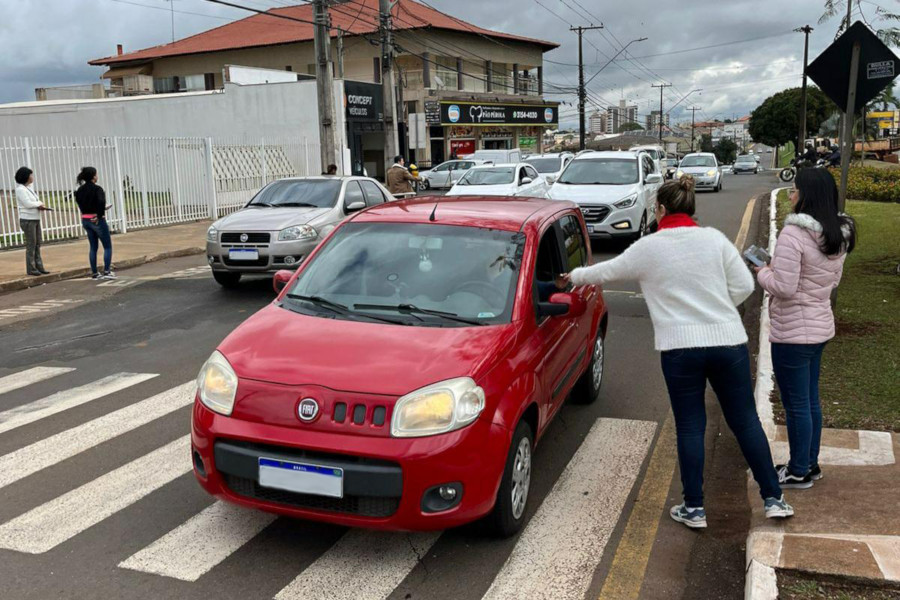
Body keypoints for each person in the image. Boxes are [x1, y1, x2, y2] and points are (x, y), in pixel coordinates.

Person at [561, 177, 793, 529]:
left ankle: (695, 508)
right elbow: (746, 285)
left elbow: (605, 272)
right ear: (691, 208)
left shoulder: (649, 247)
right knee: (745, 420)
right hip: (728, 343)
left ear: (661, 209)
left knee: (689, 425)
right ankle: (773, 498)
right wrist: (715, 310)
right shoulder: (714, 240)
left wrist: (572, 277)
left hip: (680, 349)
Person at [756, 169, 855, 489]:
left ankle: (798, 470)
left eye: (794, 191)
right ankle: (809, 464)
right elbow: (831, 281)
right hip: (820, 327)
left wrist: (762, 272)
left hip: (793, 333)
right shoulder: (837, 235)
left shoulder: (794, 234)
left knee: (797, 404)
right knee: (810, 400)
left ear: (807, 195)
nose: (790, 196)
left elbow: (783, 287)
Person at [74, 166, 115, 280]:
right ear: (93, 176)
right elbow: (101, 202)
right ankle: (107, 271)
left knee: (93, 247)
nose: (97, 176)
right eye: (96, 174)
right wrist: (99, 214)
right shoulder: (98, 189)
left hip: (85, 219)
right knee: (107, 246)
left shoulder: (79, 190)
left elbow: (80, 203)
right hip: (96, 219)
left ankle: (95, 273)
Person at [14, 167, 50, 276]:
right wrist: (39, 205)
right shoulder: (20, 189)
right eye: (31, 175)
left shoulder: (28, 188)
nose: (32, 177)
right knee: (31, 244)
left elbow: (37, 201)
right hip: (28, 220)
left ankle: (39, 266)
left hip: (35, 218)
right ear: (26, 176)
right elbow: (28, 203)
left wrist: (39, 204)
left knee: (37, 243)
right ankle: (31, 268)